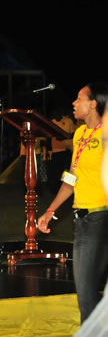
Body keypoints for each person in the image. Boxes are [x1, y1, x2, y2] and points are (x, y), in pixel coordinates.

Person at [37, 83, 108, 323]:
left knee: (87, 294)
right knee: (84, 293)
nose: (74, 104)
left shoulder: (106, 133)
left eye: (79, 99)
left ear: (94, 103)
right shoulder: (79, 135)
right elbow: (71, 177)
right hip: (81, 220)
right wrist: (50, 211)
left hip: (101, 218)